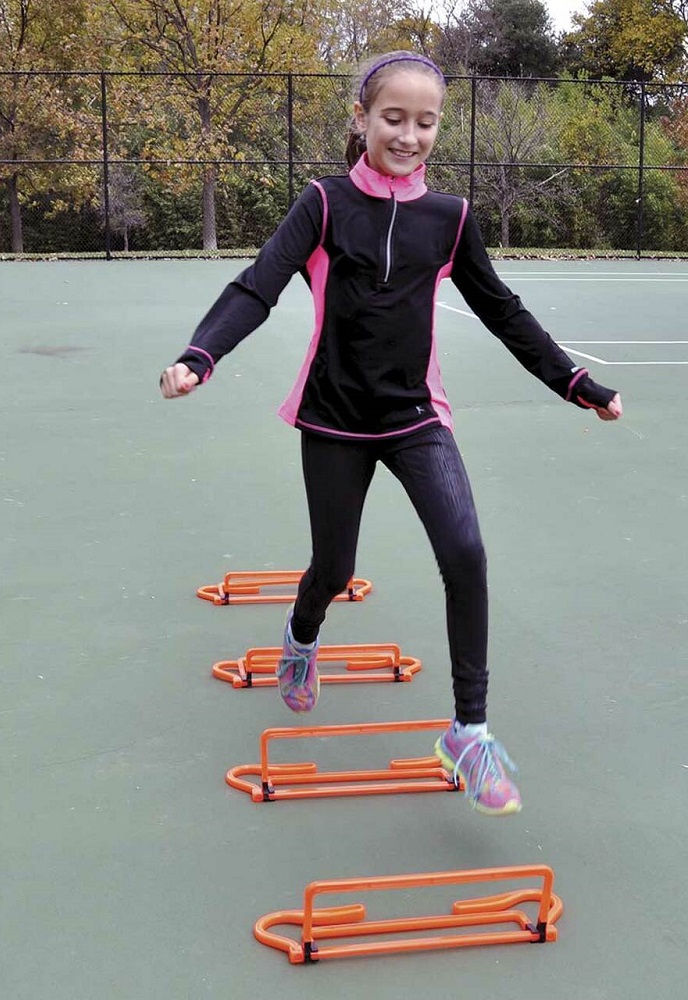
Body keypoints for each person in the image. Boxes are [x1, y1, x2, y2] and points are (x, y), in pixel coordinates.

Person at [160, 51, 622, 817]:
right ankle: (302, 636)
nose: (409, 135)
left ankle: (468, 732)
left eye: (426, 122)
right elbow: (257, 285)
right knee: (334, 569)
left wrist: (574, 383)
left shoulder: (451, 219)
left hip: (416, 420)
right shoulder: (324, 203)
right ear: (363, 118)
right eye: (394, 118)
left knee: (466, 552)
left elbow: (503, 311)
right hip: (334, 419)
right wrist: (199, 355)